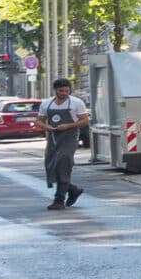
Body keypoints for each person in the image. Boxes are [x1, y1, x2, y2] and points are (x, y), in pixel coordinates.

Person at [40, 76, 89, 210]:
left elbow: (85, 120)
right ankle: (73, 189)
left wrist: (68, 125)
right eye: (61, 91)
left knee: (63, 164)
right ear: (55, 90)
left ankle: (59, 200)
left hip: (69, 137)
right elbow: (39, 120)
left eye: (67, 91)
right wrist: (46, 127)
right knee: (51, 166)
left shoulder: (76, 102)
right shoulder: (46, 103)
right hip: (53, 138)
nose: (64, 93)